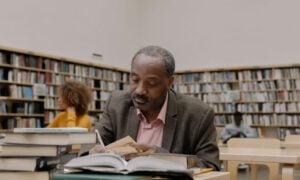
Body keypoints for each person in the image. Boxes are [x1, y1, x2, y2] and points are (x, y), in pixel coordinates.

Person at [82, 45, 220, 170]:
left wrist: (163, 158)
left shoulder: (198, 114)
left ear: (169, 82)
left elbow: (210, 164)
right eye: (135, 80)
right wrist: (92, 151)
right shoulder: (117, 104)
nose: (140, 90)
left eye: (152, 83)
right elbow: (90, 143)